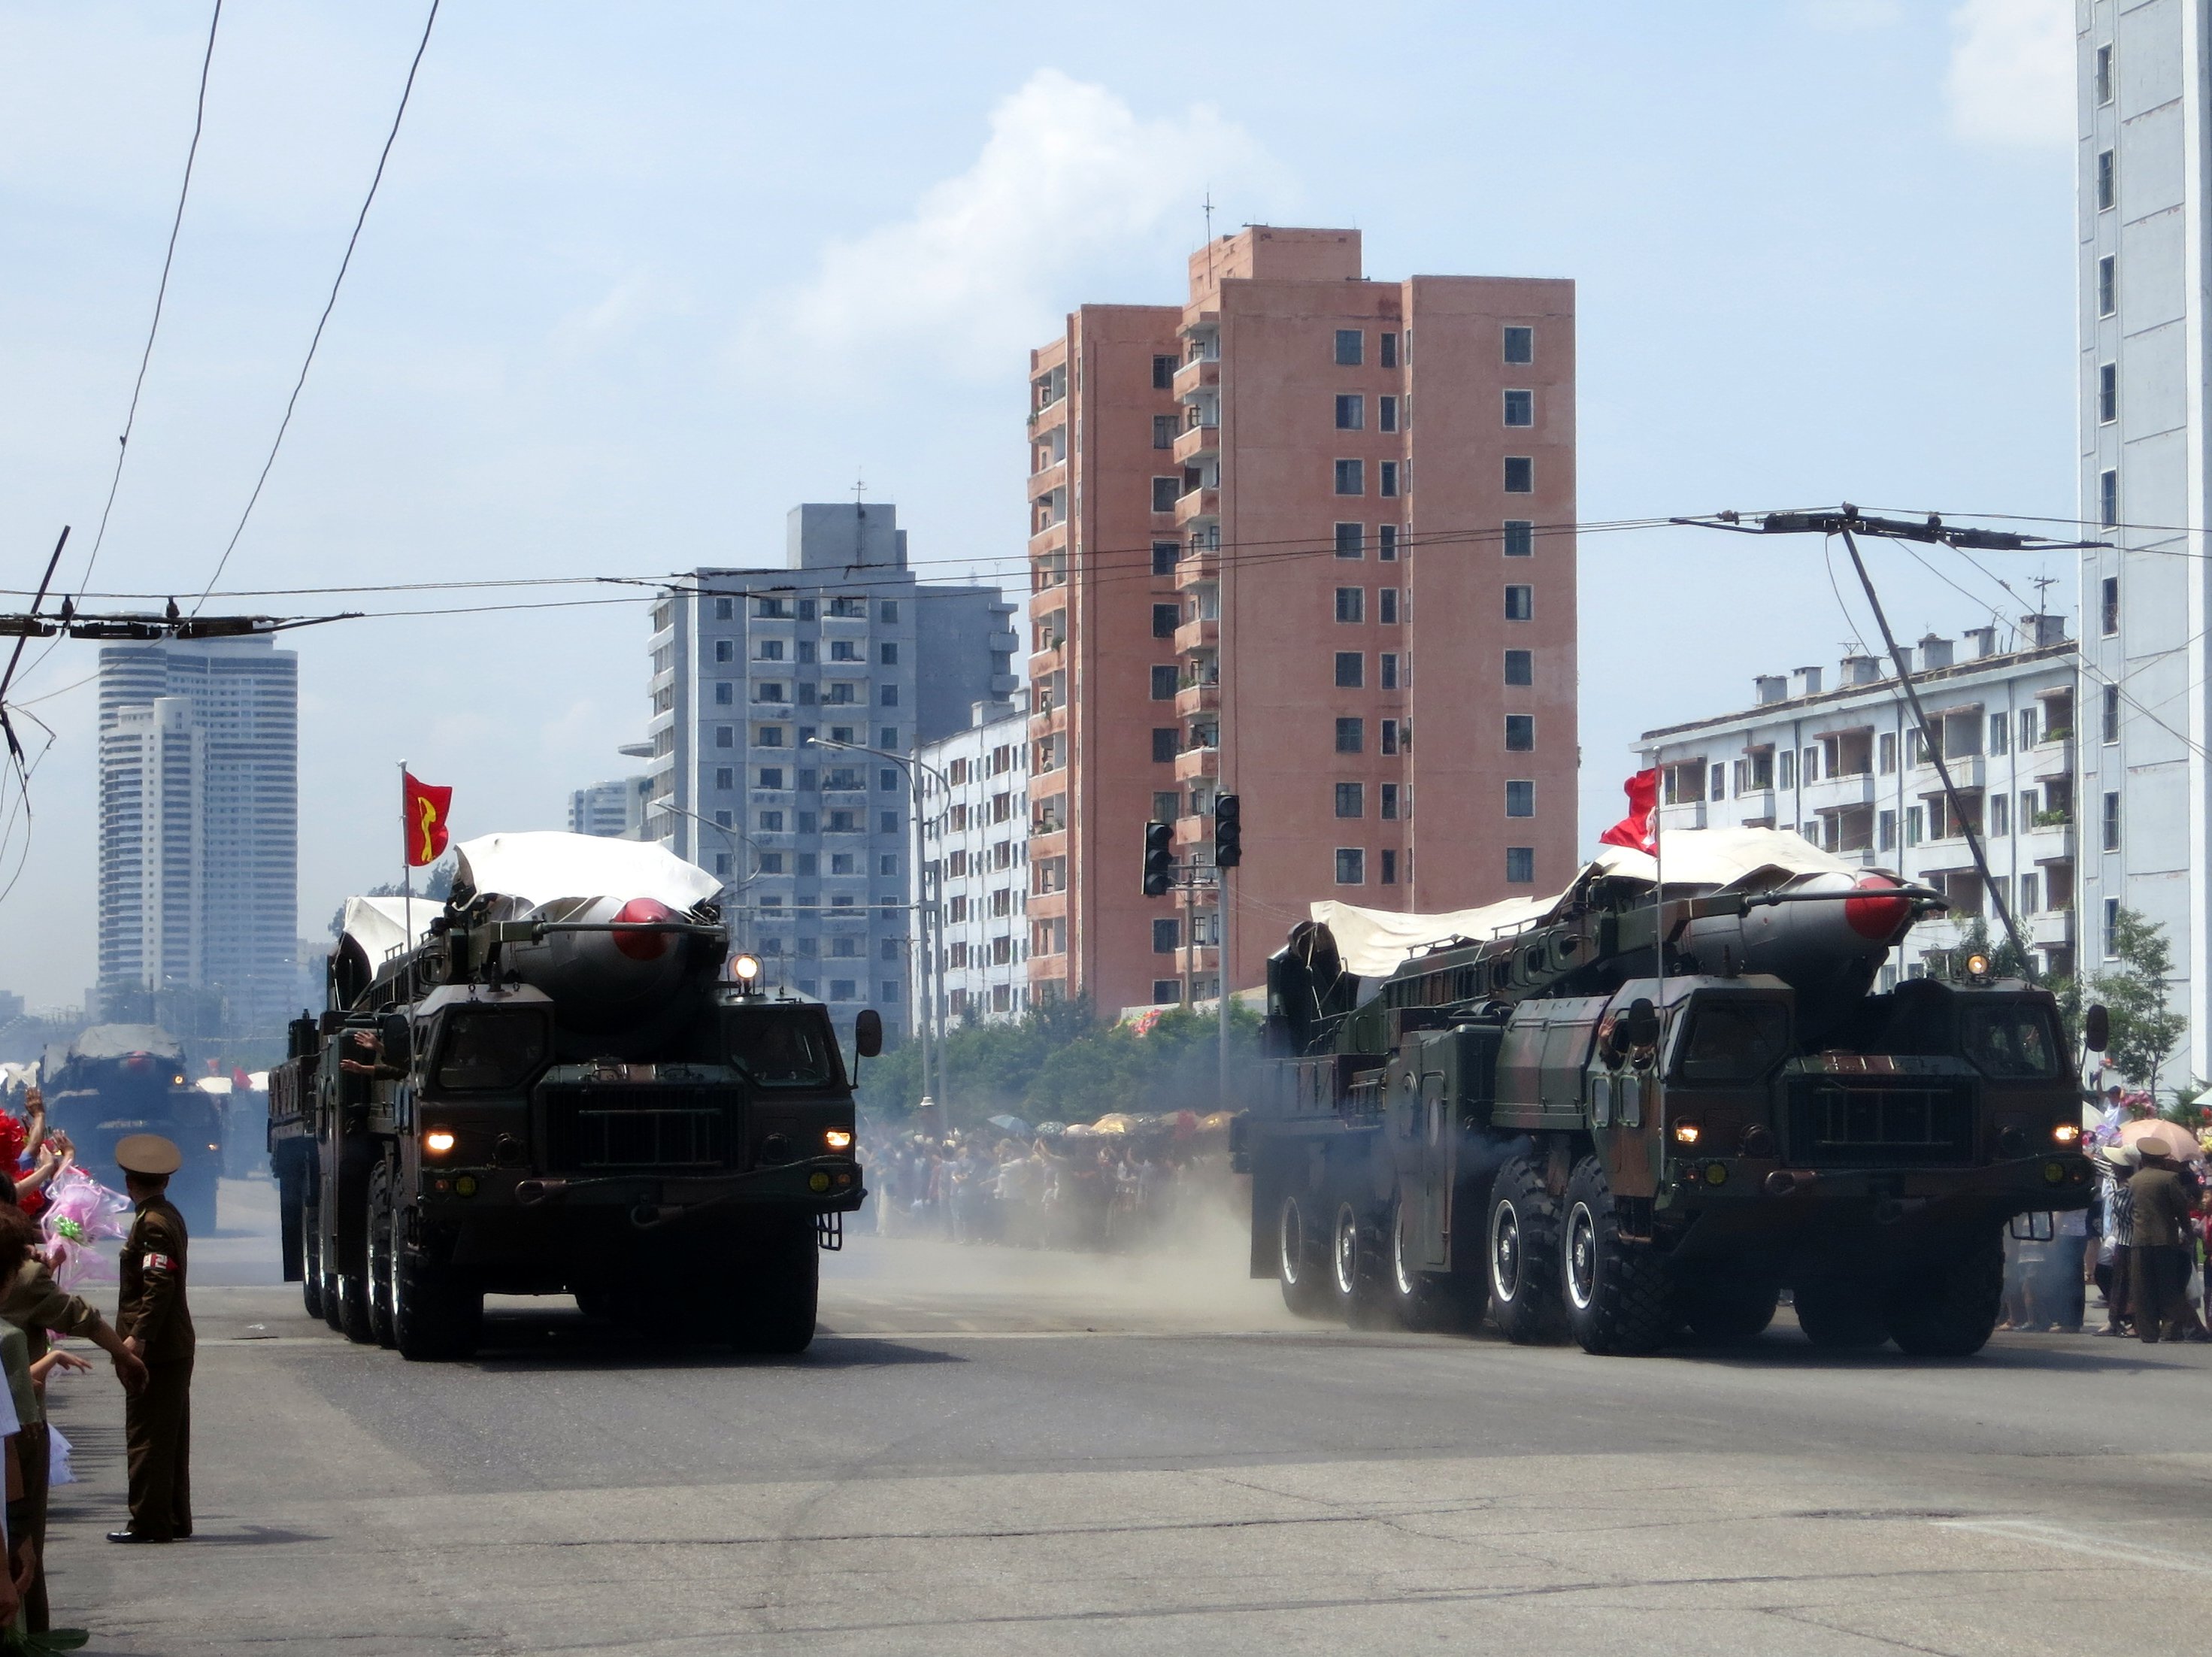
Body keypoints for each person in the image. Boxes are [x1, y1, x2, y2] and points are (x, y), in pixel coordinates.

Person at [0, 1194, 144, 1628]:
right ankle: (28, 1631)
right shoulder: (25, 1280)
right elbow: (80, 1315)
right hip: (20, 1427)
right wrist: (126, 1357)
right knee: (24, 1546)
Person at [109, 1134, 194, 1545]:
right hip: (172, 1345)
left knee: (147, 1438)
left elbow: (157, 1284)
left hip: (157, 1348)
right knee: (170, 1436)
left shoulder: (152, 1224)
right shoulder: (167, 1214)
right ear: (165, 1181)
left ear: (130, 1184)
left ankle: (148, 1522)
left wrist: (137, 1339)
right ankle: (173, 1517)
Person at [2127, 1141, 2195, 1343]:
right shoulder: (2170, 1179)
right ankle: (2170, 1330)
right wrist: (2188, 1232)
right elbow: (2181, 1209)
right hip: (2165, 1240)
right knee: (2169, 1286)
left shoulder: (2134, 1180)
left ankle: (2148, 1332)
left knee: (2143, 1288)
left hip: (2139, 1240)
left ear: (2143, 1158)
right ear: (2163, 1159)